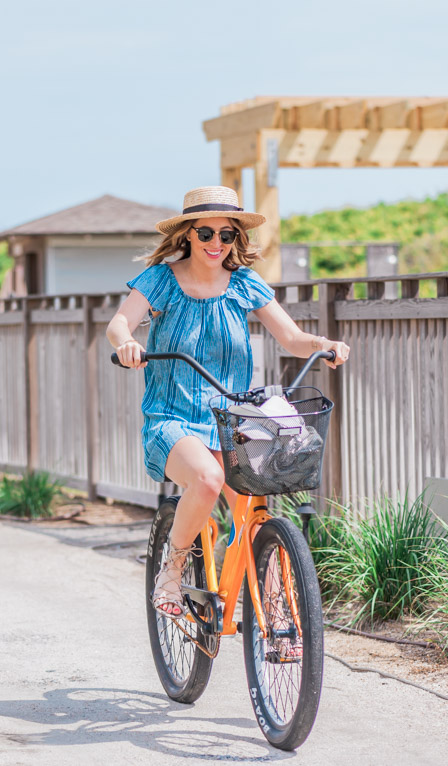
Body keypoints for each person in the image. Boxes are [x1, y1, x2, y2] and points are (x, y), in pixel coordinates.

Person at [106, 186, 350, 618]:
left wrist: (322, 342)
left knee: (256, 509)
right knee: (206, 479)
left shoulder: (244, 284)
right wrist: (127, 343)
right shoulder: (162, 279)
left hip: (232, 419)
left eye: (227, 234)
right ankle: (173, 568)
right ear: (187, 234)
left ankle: (274, 606)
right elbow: (119, 323)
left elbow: (292, 338)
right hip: (172, 419)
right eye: (205, 233)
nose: (216, 244)